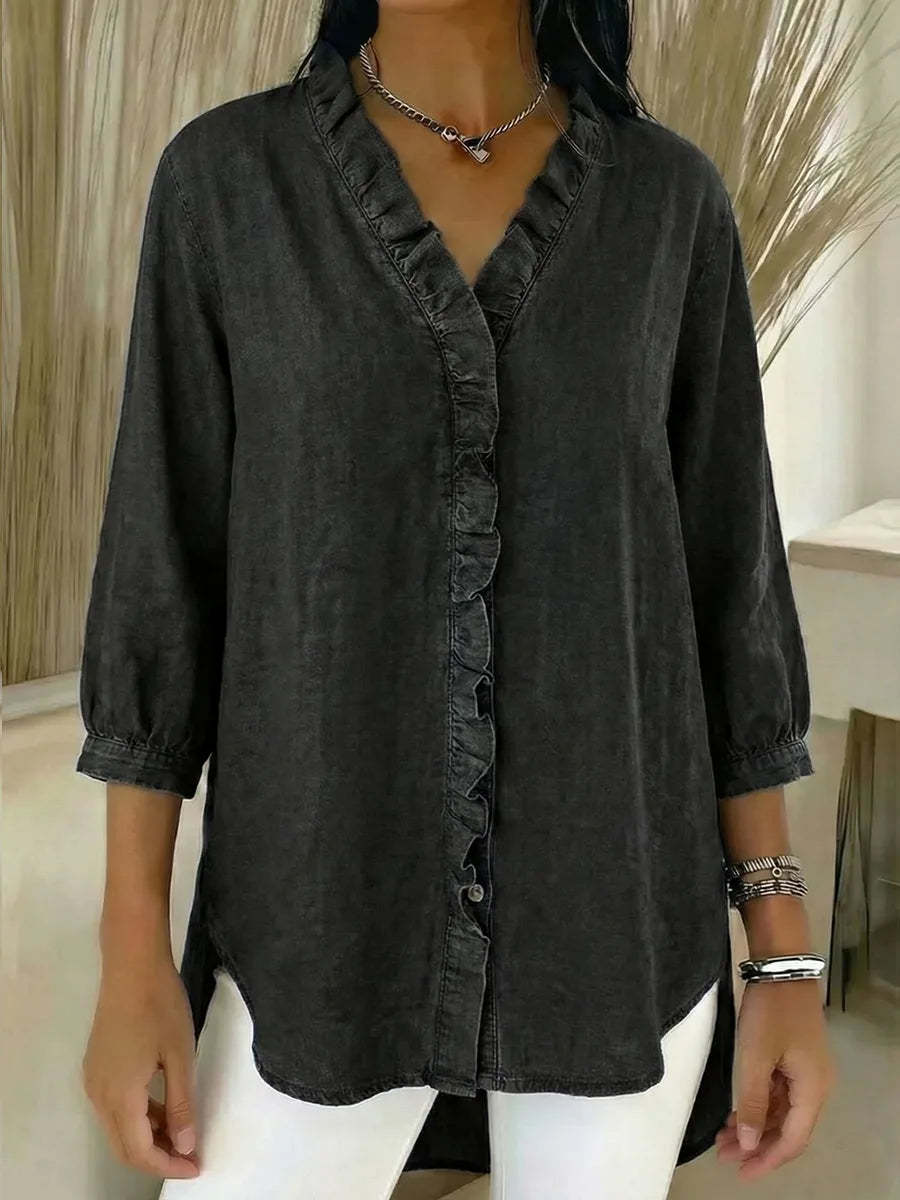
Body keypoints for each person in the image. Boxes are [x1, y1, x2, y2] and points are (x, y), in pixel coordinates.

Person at [77, 2, 837, 1197]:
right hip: (318, 926)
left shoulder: (668, 203)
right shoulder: (227, 185)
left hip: (613, 924)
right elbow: (159, 579)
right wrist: (132, 960)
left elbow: (727, 588)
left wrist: (782, 960)